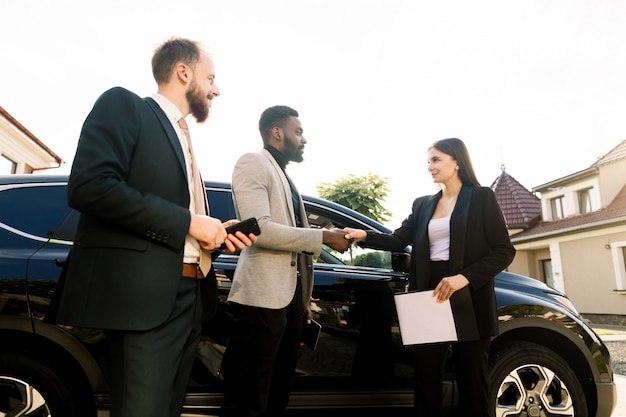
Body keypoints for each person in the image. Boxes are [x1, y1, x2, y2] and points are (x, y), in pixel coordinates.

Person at [55, 37, 255, 417]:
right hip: (144, 301)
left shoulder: (185, 137)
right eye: (210, 77)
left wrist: (213, 234)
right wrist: (189, 222)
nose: (216, 89)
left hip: (192, 298)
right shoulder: (125, 106)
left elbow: (176, 222)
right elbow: (90, 186)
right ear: (183, 72)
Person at [344, 138, 515, 417]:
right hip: (428, 295)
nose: (430, 167)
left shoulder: (482, 197)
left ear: (457, 161)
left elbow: (503, 251)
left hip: (469, 295)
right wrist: (363, 236)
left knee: (472, 383)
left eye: (436, 160)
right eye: (428, 161)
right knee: (426, 383)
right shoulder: (423, 204)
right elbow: (398, 239)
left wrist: (463, 278)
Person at [220, 105, 351, 417]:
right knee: (249, 398)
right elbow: (259, 228)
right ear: (277, 132)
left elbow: (293, 243)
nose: (303, 139)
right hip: (260, 303)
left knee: (278, 394)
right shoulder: (252, 162)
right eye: (298, 131)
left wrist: (302, 300)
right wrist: (323, 237)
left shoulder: (285, 177)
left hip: (289, 304)